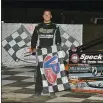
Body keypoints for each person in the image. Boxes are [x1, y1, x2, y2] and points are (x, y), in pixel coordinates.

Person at [30, 9, 61, 97]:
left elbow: (58, 40)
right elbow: (34, 38)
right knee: (39, 72)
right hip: (40, 52)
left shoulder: (55, 27)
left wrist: (58, 50)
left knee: (51, 72)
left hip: (51, 52)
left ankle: (52, 91)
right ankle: (37, 91)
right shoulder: (38, 27)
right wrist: (33, 48)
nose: (47, 16)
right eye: (45, 14)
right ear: (43, 16)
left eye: (48, 15)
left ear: (51, 16)